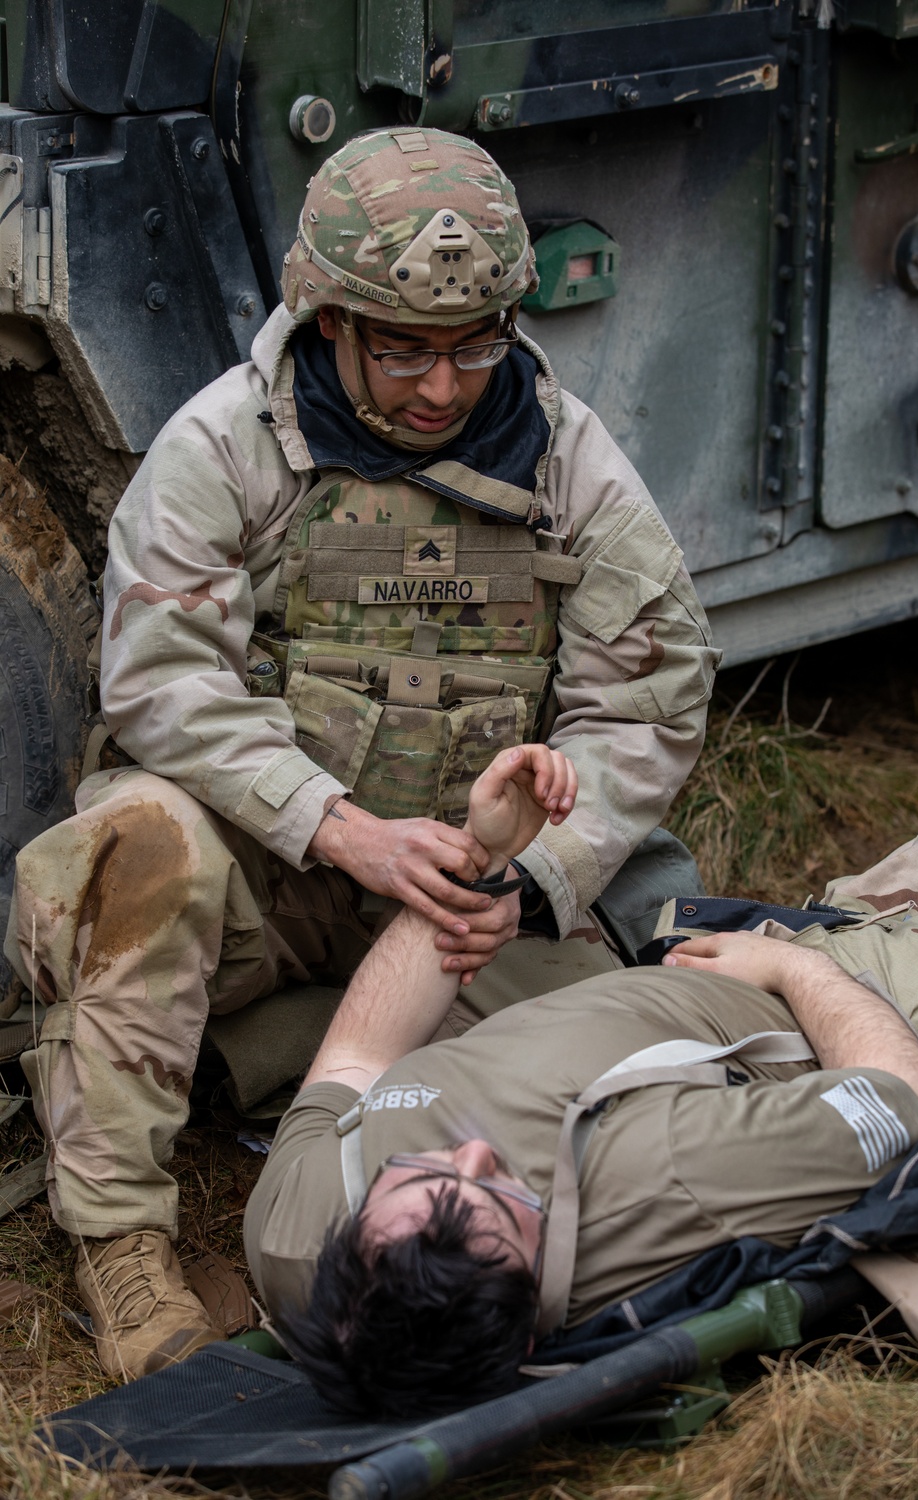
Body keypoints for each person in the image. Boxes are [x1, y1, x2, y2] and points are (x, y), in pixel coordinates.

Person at [3, 126, 717, 1381]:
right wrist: (338, 828)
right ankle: (121, 1241)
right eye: (401, 350)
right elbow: (162, 681)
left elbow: (647, 697)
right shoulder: (226, 447)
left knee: (652, 1051)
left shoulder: (565, 461)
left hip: (462, 893)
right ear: (325, 317)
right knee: (132, 851)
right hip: (268, 881)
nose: (441, 389)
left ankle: (275, 1068)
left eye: (474, 346)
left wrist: (527, 879)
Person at [244, 817, 918, 1419]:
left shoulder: (293, 1231)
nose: (470, 1156)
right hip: (819, 1007)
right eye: (503, 1200)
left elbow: (355, 1056)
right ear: (534, 1315)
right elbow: (905, 1100)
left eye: (417, 1175)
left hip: (584, 1002)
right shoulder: (670, 1177)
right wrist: (792, 969)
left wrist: (484, 859)